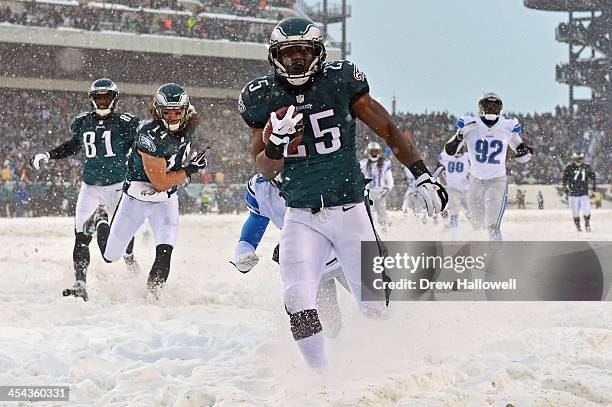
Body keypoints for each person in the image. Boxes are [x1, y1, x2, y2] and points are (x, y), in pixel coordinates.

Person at [238, 17, 448, 369]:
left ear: (318, 53)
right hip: (301, 214)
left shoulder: (339, 81)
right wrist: (275, 144)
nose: (297, 61)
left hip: (350, 209)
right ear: (275, 57)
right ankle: (320, 380)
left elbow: (388, 130)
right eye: (289, 54)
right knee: (296, 297)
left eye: (304, 52)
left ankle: (403, 354)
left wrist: (421, 175)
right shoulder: (262, 97)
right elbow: (265, 166)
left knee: (374, 306)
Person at [30, 78, 141, 301]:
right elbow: (74, 145)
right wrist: (49, 154)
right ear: (92, 99)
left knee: (121, 235)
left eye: (106, 97)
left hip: (119, 187)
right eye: (98, 97)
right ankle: (80, 282)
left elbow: (141, 147)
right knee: (80, 234)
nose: (102, 101)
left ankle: (128, 256)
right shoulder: (83, 122)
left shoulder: (125, 123)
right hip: (91, 187)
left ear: (114, 99)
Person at [94, 83, 208, 297]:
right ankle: (101, 219)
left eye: (177, 112)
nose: (173, 117)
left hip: (166, 200)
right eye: (167, 112)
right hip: (137, 198)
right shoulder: (149, 136)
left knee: (165, 252)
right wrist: (190, 169)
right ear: (158, 112)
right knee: (110, 256)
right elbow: (161, 183)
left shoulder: (190, 124)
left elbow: (166, 187)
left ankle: (153, 299)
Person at [232, 173, 352, 337]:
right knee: (330, 327)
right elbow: (257, 218)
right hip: (313, 269)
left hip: (349, 253)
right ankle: (346, 357)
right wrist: (244, 250)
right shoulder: (261, 186)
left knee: (384, 304)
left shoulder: (323, 171)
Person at [445, 92, 533, 241]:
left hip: (496, 181)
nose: (491, 109)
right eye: (488, 105)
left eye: (494, 106)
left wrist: (524, 151)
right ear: (481, 107)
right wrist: (460, 136)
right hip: (475, 182)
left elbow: (519, 147)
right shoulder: (470, 124)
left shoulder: (507, 125)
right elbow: (450, 150)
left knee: (493, 225)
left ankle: (497, 254)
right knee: (478, 225)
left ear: (500, 108)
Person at [359, 141, 394, 231]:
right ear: (369, 152)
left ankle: (384, 230)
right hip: (369, 191)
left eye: (376, 151)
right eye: (372, 151)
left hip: (380, 191)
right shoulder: (363, 163)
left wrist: (388, 188)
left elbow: (389, 178)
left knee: (382, 213)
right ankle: (370, 231)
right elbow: (360, 178)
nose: (374, 153)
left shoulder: (385, 163)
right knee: (369, 214)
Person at [562, 152, 596, 232]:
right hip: (573, 194)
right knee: (575, 212)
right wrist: (564, 188)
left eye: (580, 158)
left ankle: (587, 224)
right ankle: (578, 227)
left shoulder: (587, 167)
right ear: (573, 159)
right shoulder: (568, 168)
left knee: (586, 210)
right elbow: (564, 179)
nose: (579, 160)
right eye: (577, 159)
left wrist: (594, 187)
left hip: (584, 193)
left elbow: (593, 177)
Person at [437, 145, 470, 229]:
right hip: (453, 189)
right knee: (453, 212)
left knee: (471, 213)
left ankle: (479, 231)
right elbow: (439, 157)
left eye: (459, 149)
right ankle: (453, 233)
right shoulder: (446, 156)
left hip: (467, 189)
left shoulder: (467, 157)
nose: (457, 151)